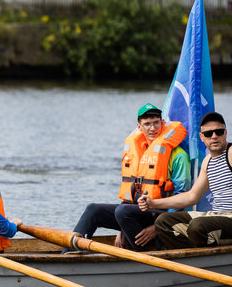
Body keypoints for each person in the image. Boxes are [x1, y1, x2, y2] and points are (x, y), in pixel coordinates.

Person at [68, 103, 191, 251]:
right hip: (134, 214)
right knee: (93, 209)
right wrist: (121, 230)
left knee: (123, 211)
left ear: (162, 123)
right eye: (147, 124)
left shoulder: (179, 156)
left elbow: (182, 199)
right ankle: (68, 253)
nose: (152, 128)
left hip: (163, 218)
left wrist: (156, 228)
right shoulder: (136, 154)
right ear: (139, 127)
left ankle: (145, 254)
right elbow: (129, 194)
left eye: (156, 123)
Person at [138, 111, 232, 249]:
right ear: (201, 137)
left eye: (218, 132)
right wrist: (153, 203)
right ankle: (191, 258)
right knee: (163, 221)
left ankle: (202, 258)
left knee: (198, 226)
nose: (214, 136)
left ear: (225, 133)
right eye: (208, 134)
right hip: (218, 216)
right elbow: (191, 197)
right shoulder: (208, 162)